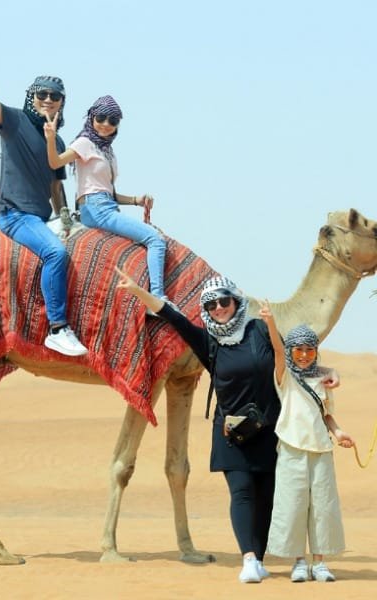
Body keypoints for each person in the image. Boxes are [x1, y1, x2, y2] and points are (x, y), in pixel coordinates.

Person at [114, 267, 340, 583]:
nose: (219, 309)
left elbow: (294, 362)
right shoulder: (209, 342)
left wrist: (329, 372)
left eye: (224, 302)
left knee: (267, 495)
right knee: (242, 492)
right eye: (211, 305)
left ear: (235, 301)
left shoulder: (260, 330)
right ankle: (248, 559)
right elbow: (171, 315)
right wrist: (138, 290)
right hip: (232, 432)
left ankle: (259, 559)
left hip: (271, 430)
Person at [0, 29, 88, 357]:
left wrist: (66, 216)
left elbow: (56, 186)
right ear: (31, 97)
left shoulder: (58, 142)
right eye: (42, 94)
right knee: (55, 254)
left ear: (62, 102)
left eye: (55, 96)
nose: (48, 99)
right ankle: (57, 328)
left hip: (42, 216)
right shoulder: (13, 121)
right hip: (15, 215)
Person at [259, 301, 354, 583]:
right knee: (294, 504)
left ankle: (320, 562)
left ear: (315, 351)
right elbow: (277, 349)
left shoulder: (322, 380)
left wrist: (338, 433)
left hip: (321, 450)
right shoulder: (284, 377)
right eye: (297, 349)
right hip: (291, 448)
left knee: (323, 506)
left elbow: (327, 415)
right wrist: (270, 322)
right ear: (291, 351)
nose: (302, 355)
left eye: (308, 349)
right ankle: (299, 561)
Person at [44, 95, 171, 304]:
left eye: (113, 121)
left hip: (106, 205)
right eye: (101, 118)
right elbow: (55, 163)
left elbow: (108, 192)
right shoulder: (84, 142)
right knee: (155, 239)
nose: (106, 124)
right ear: (92, 117)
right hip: (95, 209)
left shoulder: (107, 151)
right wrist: (50, 139)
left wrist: (136, 200)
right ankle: (157, 298)